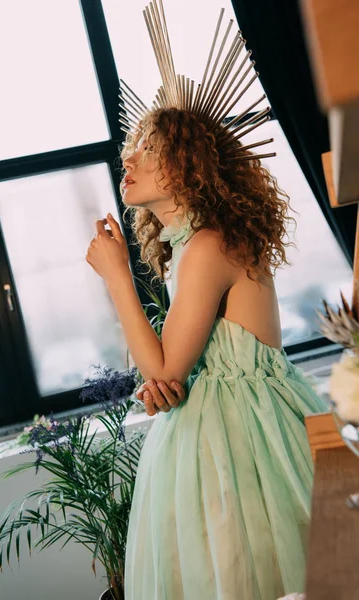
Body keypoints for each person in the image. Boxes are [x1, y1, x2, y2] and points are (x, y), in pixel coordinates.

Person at [85, 4, 328, 598]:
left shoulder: (209, 245)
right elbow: (170, 369)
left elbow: (167, 364)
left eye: (147, 146)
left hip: (240, 445)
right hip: (214, 434)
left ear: (187, 162)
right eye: (130, 148)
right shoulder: (193, 245)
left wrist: (118, 278)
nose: (128, 157)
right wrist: (160, 382)